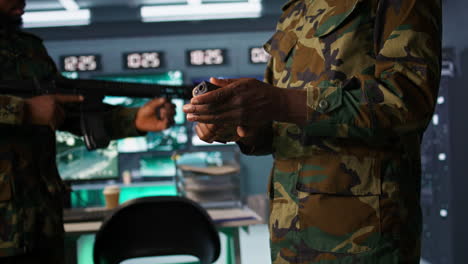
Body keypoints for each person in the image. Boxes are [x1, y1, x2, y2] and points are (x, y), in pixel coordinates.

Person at [184, 0, 442, 263]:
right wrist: (240, 125)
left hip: (361, 240)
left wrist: (280, 103)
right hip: (289, 238)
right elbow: (283, 127)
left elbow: (408, 101)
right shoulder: (295, 9)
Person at [0, 0, 176, 263]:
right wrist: (20, 110)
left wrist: (134, 120)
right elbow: (35, 108)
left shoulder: (27, 48)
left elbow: (63, 109)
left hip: (39, 229)